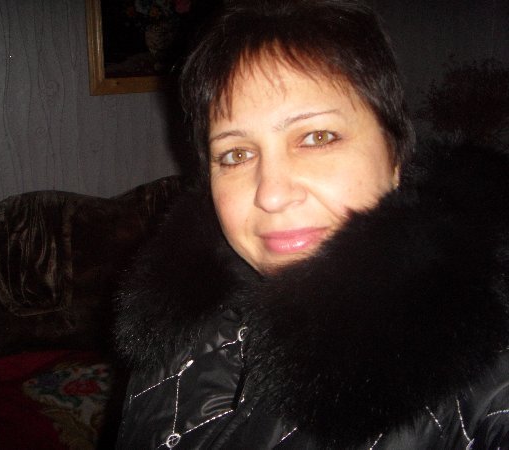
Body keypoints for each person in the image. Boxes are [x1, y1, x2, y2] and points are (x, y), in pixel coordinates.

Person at [114, 0, 509, 448]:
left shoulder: (490, 390)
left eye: (317, 137)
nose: (271, 194)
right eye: (237, 154)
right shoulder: (180, 318)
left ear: (396, 157)